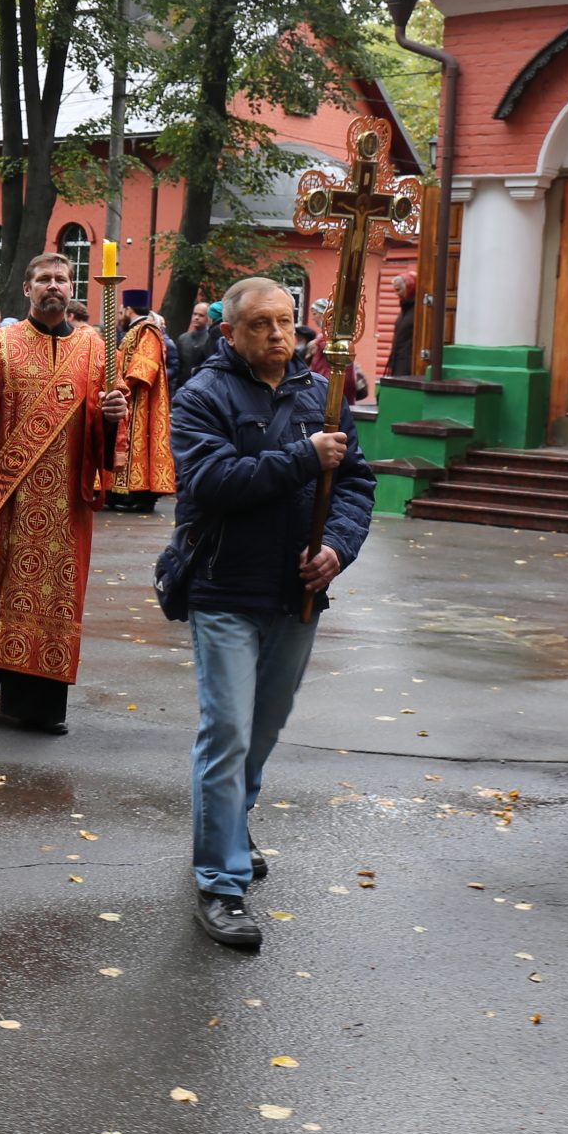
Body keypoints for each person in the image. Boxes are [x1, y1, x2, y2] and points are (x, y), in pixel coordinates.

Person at [171, 275, 375, 949]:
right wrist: (302, 456)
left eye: (287, 322)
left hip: (297, 593)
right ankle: (221, 885)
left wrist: (338, 548)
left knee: (260, 730)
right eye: (261, 324)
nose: (280, 335)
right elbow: (212, 481)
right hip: (226, 590)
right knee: (226, 730)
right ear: (229, 332)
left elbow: (354, 483)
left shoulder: (324, 397)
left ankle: (233, 822)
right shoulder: (202, 395)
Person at [0, 251, 128, 731]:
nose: (54, 285)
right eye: (44, 279)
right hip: (11, 493)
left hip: (66, 501)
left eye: (62, 279)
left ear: (72, 290)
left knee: (54, 597)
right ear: (27, 289)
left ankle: (39, 706)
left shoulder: (97, 348)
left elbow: (106, 431)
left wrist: (113, 419)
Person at [108, 289, 176, 515]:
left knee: (141, 445)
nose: (120, 314)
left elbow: (145, 366)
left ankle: (140, 495)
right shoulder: (136, 329)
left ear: (129, 309)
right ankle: (124, 494)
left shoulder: (148, 330)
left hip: (141, 400)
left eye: (122, 310)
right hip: (129, 399)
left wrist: (121, 380)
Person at [175, 301, 217, 390]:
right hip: (182, 387)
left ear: (208, 318)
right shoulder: (183, 339)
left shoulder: (211, 339)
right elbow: (177, 366)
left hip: (203, 388)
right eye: (195, 314)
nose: (196, 318)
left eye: (201, 315)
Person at [386, 273, 418, 378]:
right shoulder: (404, 311)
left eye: (398, 290)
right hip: (397, 364)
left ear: (410, 287)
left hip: (408, 368)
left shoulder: (417, 311)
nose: (396, 294)